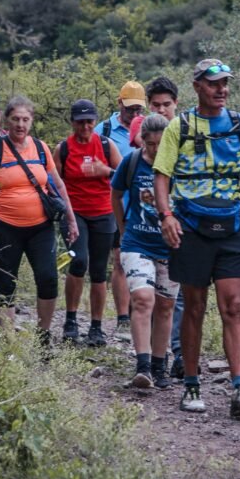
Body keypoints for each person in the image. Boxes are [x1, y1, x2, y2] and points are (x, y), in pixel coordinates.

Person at [153, 59, 240, 417]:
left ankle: (239, 387)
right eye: (215, 83)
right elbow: (161, 175)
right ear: (198, 85)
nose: (222, 89)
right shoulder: (179, 127)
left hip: (231, 227)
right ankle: (190, 384)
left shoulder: (238, 124)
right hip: (191, 227)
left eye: (226, 83)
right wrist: (166, 216)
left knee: (233, 306)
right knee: (195, 307)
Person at [0, 96, 78, 342]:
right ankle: (9, 341)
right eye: (16, 119)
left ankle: (44, 335)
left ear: (32, 121)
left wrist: (71, 221)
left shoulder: (40, 148)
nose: (20, 124)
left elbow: (58, 185)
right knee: (5, 282)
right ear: (6, 121)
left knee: (48, 278)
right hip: (4, 225)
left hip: (40, 227)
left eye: (25, 119)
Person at [111, 114, 177, 389]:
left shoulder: (178, 163)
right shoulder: (133, 161)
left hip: (170, 245)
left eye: (160, 145)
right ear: (143, 141)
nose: (155, 150)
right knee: (142, 299)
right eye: (150, 144)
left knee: (165, 305)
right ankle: (143, 366)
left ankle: (161, 367)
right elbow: (115, 192)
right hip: (137, 242)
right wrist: (123, 227)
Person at [57, 99, 122, 347]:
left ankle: (96, 327)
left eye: (89, 121)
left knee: (97, 270)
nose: (85, 126)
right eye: (80, 122)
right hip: (74, 214)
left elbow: (122, 175)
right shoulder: (63, 149)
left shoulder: (106, 145)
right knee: (78, 261)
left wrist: (104, 170)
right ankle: (70, 320)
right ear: (72, 122)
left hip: (104, 213)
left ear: (95, 121)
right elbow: (54, 181)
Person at [94, 81, 146, 332]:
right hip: (113, 203)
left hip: (143, 205)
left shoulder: (149, 127)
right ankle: (123, 316)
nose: (134, 114)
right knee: (119, 259)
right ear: (119, 104)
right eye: (130, 109)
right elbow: (90, 163)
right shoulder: (103, 130)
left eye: (138, 109)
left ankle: (142, 312)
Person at [145, 76, 186, 379]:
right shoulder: (149, 135)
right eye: (156, 105)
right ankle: (156, 355)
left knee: (183, 294)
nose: (161, 109)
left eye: (166, 104)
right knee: (160, 295)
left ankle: (181, 354)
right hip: (152, 228)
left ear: (176, 104)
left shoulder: (188, 133)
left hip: (188, 223)